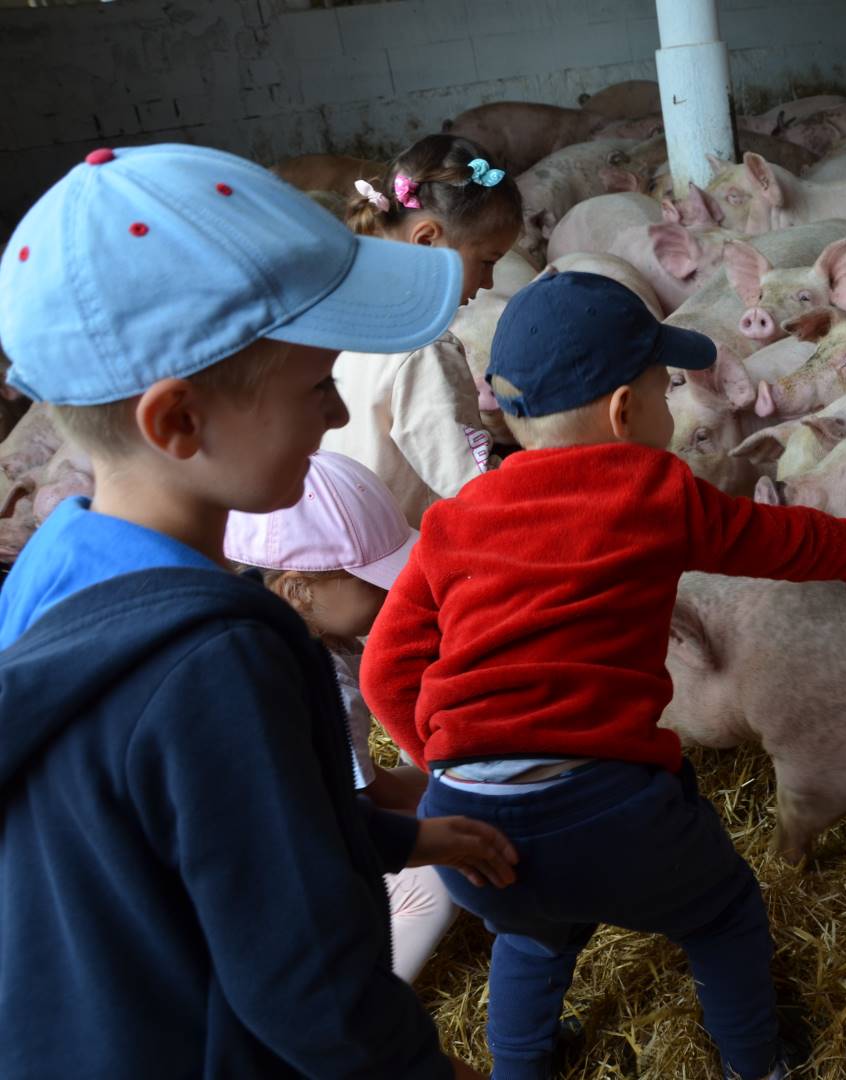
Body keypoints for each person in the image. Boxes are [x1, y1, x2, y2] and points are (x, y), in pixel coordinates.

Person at [0, 143, 516, 1079]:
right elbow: (315, 993)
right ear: (178, 422)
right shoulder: (220, 661)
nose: (337, 418)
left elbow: (200, 832)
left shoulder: (48, 570)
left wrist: (394, 838)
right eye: (318, 387)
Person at [361, 270, 846, 1080]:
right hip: (608, 808)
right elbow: (774, 541)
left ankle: (521, 1069)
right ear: (624, 412)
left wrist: (448, 769)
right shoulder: (654, 490)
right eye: (665, 386)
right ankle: (757, 1064)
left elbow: (384, 671)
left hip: (468, 822)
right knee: (722, 913)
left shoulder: (451, 523)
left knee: (530, 935)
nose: (670, 401)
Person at [226, 449, 458, 984]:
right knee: (433, 888)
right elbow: (365, 802)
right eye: (372, 580)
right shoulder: (324, 680)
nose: (395, 588)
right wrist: (460, 811)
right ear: (296, 589)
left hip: (253, 836)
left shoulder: (260, 630)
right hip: (268, 866)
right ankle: (365, 1001)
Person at [322, 133, 523, 526]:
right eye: (486, 261)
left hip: (340, 531)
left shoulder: (345, 317)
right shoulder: (425, 349)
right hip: (403, 547)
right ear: (428, 240)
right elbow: (469, 485)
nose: (488, 282)